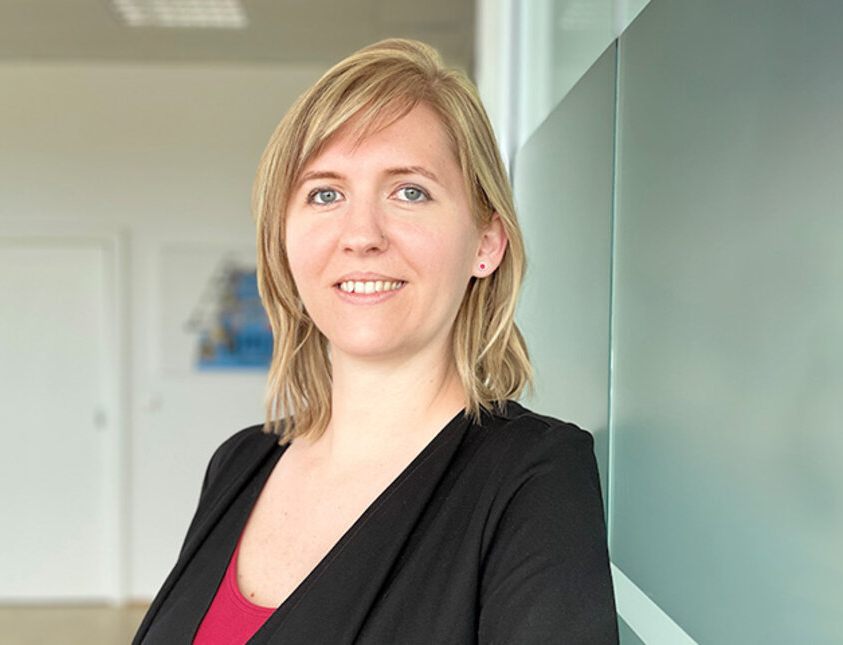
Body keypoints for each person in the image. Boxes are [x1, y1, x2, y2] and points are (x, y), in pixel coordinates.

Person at [134, 39, 618, 644]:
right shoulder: (240, 463)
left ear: (486, 242)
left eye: (409, 191)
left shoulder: (531, 477)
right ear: (284, 238)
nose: (361, 235)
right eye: (325, 193)